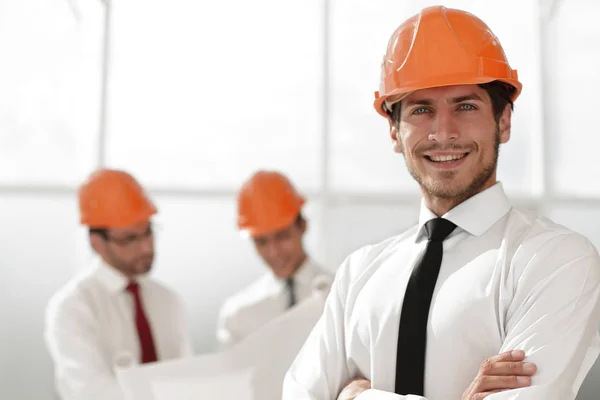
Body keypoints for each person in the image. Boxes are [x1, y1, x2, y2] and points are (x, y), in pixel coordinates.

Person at [283, 6, 600, 400]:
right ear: (395, 132)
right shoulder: (358, 274)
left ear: (503, 122)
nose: (443, 133)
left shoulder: (555, 260)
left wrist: (356, 396)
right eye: (421, 110)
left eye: (465, 106)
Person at [44, 168, 193, 400]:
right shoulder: (73, 307)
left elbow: (186, 381)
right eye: (129, 239)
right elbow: (92, 393)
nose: (146, 247)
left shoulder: (167, 301)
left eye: (148, 233)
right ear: (97, 244)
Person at [216, 170, 333, 348]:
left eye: (282, 236)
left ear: (303, 225)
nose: (273, 252)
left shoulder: (341, 294)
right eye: (261, 242)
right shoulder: (238, 314)